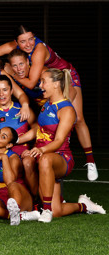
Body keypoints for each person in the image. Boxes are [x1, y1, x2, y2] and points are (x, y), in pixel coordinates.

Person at [0, 25, 97, 181]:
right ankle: (47, 161)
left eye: (30, 39)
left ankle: (90, 161)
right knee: (44, 121)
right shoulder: (16, 48)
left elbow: (31, 82)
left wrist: (11, 72)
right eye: (22, 42)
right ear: (16, 42)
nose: (27, 44)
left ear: (34, 37)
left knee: (76, 118)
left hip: (65, 76)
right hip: (45, 83)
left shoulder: (39, 50)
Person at [20, 69, 105, 223]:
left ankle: (45, 210)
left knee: (45, 159)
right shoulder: (47, 104)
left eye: (43, 81)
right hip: (44, 159)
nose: (40, 85)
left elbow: (59, 141)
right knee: (57, 211)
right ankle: (84, 206)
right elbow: (39, 130)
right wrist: (16, 140)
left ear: (56, 84)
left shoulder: (66, 109)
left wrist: (40, 150)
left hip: (61, 159)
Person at [0, 75, 35, 156]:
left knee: (28, 162)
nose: (1, 94)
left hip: (24, 154)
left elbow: (37, 129)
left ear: (11, 91)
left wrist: (18, 140)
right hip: (1, 158)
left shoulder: (23, 108)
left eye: (5, 90)